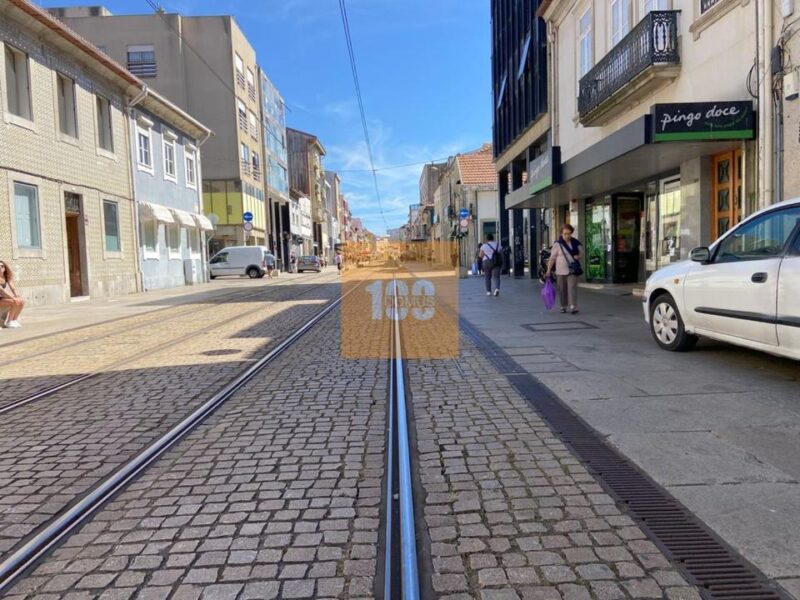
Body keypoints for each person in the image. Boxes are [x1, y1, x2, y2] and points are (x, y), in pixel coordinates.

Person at [546, 224, 582, 314]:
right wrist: (548, 270)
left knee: (572, 287)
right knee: (562, 289)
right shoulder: (557, 244)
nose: (567, 236)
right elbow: (552, 258)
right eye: (565, 234)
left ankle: (573, 306)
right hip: (561, 270)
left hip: (573, 269)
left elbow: (582, 252)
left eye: (569, 234)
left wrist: (578, 256)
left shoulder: (575, 242)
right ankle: (563, 305)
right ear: (561, 233)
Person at [0, 260, 25, 328]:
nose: (0, 268)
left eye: (2, 266)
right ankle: (9, 321)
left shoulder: (6, 277)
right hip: (1, 298)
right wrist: (13, 298)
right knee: (13, 302)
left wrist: (16, 295)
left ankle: (14, 320)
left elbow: (13, 288)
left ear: (4, 268)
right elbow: (2, 291)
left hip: (2, 298)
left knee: (21, 301)